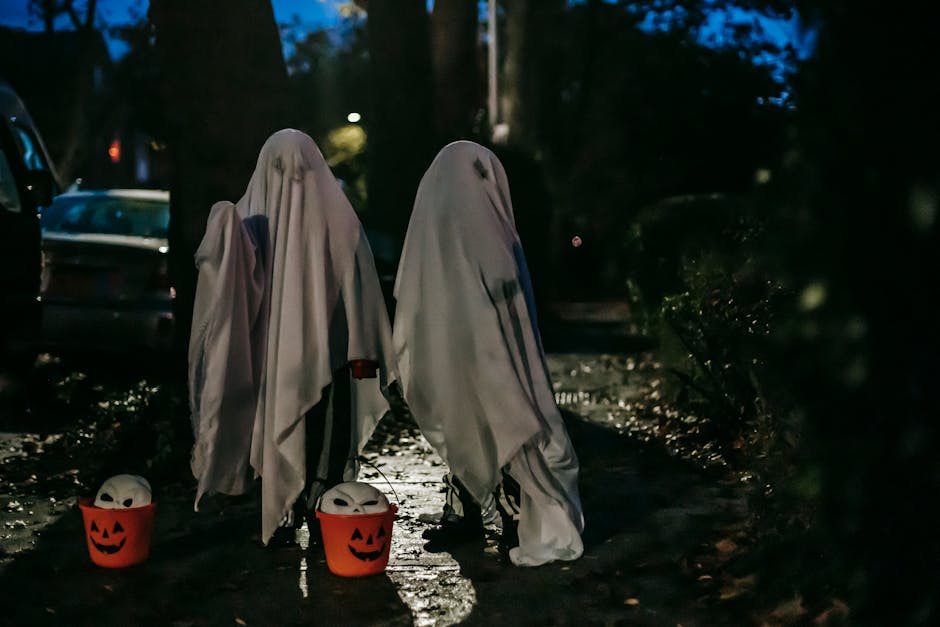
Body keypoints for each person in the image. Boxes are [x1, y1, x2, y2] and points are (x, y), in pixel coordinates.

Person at [188, 129, 395, 546]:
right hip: (280, 362)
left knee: (323, 437)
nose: (291, 181)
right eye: (282, 169)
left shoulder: (326, 222)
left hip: (327, 362)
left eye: (299, 170)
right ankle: (291, 509)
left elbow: (359, 296)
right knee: (293, 430)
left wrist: (363, 353)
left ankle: (320, 511)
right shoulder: (250, 221)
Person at [392, 140, 584, 566]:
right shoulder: (482, 228)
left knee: (490, 423)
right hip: (476, 353)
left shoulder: (451, 231)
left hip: (479, 354)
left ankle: (500, 507)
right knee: (482, 422)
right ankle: (476, 507)